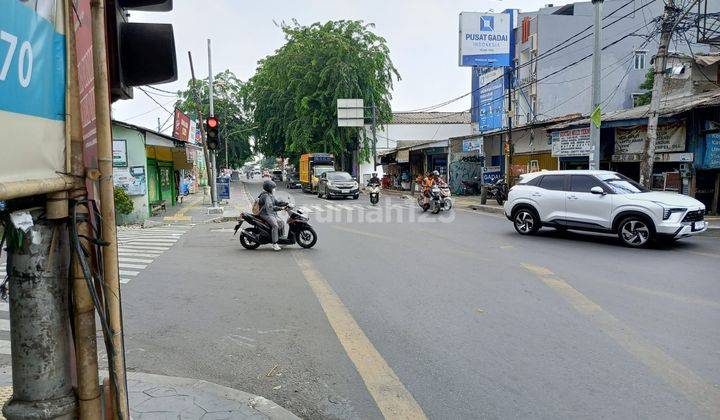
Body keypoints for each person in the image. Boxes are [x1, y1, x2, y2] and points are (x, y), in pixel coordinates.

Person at [258, 180, 287, 251]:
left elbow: (276, 202)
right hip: (266, 214)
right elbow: (271, 207)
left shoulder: (270, 195)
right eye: (273, 188)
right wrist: (281, 208)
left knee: (281, 222)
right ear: (269, 188)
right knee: (275, 225)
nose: (274, 189)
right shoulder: (265, 196)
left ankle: (280, 237)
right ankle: (274, 243)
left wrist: (286, 203)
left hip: (271, 213)